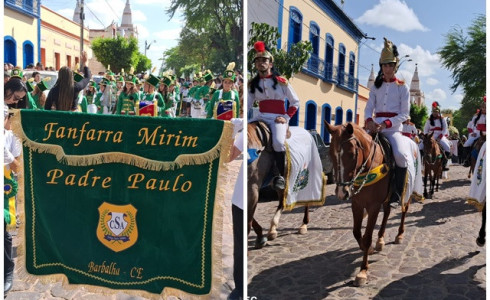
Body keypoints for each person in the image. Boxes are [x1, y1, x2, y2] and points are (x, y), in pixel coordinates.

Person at [364, 37, 411, 209]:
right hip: (374, 127)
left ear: (395, 66)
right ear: (381, 66)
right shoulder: (375, 87)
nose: (387, 68)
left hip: (393, 130)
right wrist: (369, 121)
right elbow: (368, 108)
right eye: (384, 65)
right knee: (358, 149)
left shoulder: (402, 87)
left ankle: (397, 193)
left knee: (400, 155)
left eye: (390, 65)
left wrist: (387, 124)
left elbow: (405, 113)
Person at [248, 41, 299, 190]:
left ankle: (280, 176)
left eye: (264, 60)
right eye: (257, 60)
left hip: (278, 118)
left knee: (277, 142)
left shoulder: (281, 82)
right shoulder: (253, 84)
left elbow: (295, 102)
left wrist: (286, 117)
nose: (260, 63)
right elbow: (248, 104)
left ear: (270, 63)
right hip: (260, 116)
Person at [3, 105, 22, 296]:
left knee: (5, 231)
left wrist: (7, 155)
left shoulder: (11, 137)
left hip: (3, 186)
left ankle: (7, 273)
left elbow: (17, 167)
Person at [227, 128, 244, 300]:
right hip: (240, 199)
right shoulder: (245, 132)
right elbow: (228, 156)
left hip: (275, 117)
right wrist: (231, 132)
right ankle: (239, 288)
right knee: (239, 246)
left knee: (277, 141)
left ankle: (279, 177)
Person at [423, 101, 452, 171]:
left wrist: (440, 137)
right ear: (432, 112)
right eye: (433, 111)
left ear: (438, 112)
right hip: (431, 136)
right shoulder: (429, 120)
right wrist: (427, 136)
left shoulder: (442, 119)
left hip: (440, 136)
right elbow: (425, 129)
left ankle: (443, 165)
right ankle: (423, 164)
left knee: (447, 148)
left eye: (436, 112)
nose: (435, 113)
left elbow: (445, 129)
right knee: (420, 146)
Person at [463, 97, 486, 166]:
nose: (484, 109)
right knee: (466, 144)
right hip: (478, 132)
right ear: (481, 108)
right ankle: (467, 160)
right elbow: (472, 125)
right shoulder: (476, 116)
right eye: (483, 107)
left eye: (486, 107)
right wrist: (472, 133)